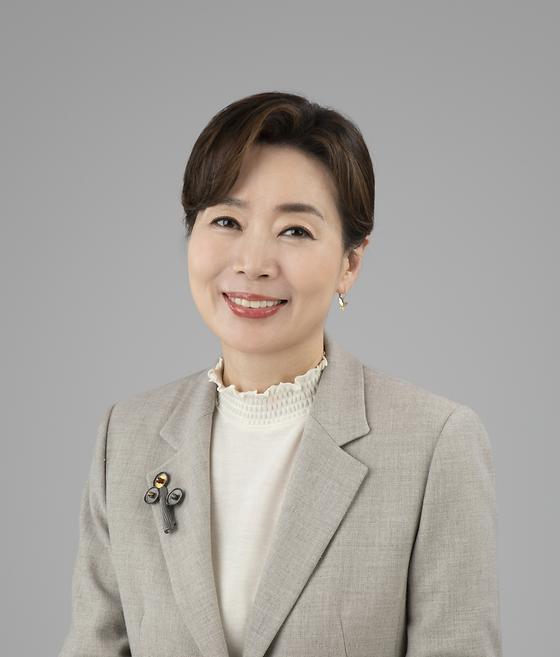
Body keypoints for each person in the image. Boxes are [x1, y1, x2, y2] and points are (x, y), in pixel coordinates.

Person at [58, 91, 503, 657]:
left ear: (350, 262)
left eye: (295, 231)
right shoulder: (126, 437)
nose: (253, 263)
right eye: (226, 221)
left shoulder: (434, 444)